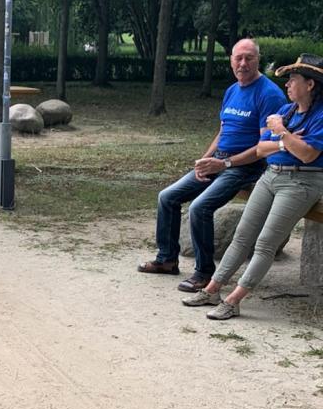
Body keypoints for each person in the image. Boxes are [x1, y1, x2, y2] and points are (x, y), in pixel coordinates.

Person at [137, 38, 286, 292]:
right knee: (167, 197)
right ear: (231, 61)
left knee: (200, 208)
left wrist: (224, 163)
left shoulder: (269, 95)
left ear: (257, 60)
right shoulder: (232, 90)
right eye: (238, 58)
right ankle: (167, 260)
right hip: (219, 160)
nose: (243, 63)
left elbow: (263, 148)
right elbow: (222, 131)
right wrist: (204, 161)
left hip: (245, 167)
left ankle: (204, 273)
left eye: (248, 58)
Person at [184, 54, 323, 319]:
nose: (287, 84)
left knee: (266, 243)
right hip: (271, 175)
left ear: (310, 84)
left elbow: (307, 155)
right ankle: (212, 289)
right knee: (242, 236)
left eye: (293, 79)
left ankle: (234, 300)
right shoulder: (287, 111)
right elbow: (261, 148)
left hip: (301, 182)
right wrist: (286, 142)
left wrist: (281, 132)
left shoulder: (317, 116)